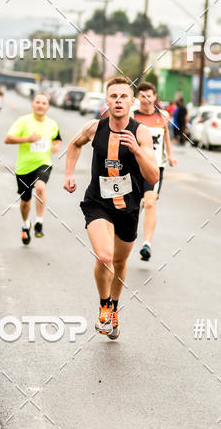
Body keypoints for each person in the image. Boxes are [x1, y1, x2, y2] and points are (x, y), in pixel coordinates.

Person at [63, 77, 158, 340]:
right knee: (104, 256)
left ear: (132, 102)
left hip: (128, 206)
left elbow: (153, 177)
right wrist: (68, 174)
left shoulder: (142, 133)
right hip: (98, 202)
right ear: (106, 101)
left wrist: (137, 151)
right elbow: (73, 144)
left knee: (120, 261)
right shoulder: (94, 127)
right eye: (113, 96)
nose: (118, 101)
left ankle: (114, 308)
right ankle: (104, 305)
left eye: (123, 97)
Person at [4, 94, 62, 243]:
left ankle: (39, 223)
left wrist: (56, 146)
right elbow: (8, 139)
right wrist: (27, 139)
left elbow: (57, 138)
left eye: (44, 103)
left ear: (48, 107)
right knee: (25, 202)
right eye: (38, 102)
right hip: (23, 168)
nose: (41, 105)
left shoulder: (52, 124)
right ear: (32, 105)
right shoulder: (23, 121)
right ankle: (25, 225)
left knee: (40, 187)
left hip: (43, 163)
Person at [133, 81, 177, 261]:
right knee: (135, 205)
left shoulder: (163, 116)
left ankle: (147, 245)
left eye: (148, 95)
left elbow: (166, 135)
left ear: (154, 97)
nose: (145, 99)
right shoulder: (132, 116)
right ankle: (127, 236)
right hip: (134, 166)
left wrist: (170, 155)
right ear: (138, 98)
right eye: (142, 95)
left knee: (150, 202)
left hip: (155, 166)